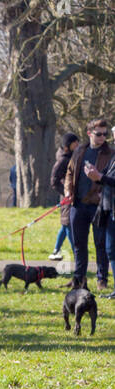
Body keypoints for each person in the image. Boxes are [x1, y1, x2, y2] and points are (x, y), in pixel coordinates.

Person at [63, 119, 114, 290]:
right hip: (78, 204)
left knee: (101, 244)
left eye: (105, 134)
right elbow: (69, 173)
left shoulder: (110, 153)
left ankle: (102, 280)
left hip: (99, 205)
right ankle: (79, 279)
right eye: (98, 134)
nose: (102, 138)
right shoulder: (80, 151)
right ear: (89, 133)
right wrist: (68, 191)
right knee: (79, 244)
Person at [49, 132, 81, 261]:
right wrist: (66, 193)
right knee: (68, 226)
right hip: (67, 199)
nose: (78, 144)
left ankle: (56, 250)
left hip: (72, 197)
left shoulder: (73, 157)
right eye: (75, 143)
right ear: (68, 145)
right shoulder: (63, 160)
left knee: (64, 225)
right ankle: (77, 254)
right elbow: (54, 181)